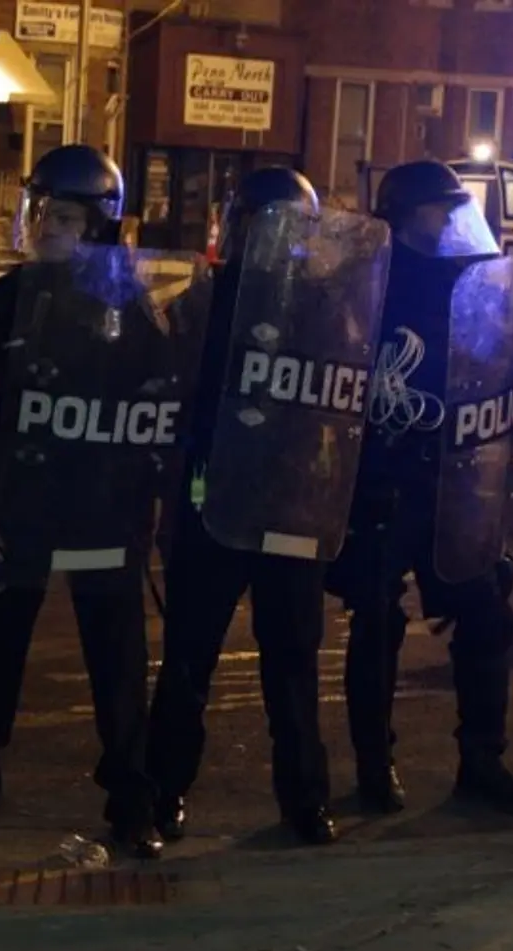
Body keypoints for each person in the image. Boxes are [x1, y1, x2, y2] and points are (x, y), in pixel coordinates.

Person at [0, 144, 172, 859]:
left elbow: (161, 409)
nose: (48, 228)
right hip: (20, 506)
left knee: (119, 664)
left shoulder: (132, 309)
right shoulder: (3, 302)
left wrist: (152, 505)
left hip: (102, 509)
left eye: (65, 216)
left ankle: (133, 799)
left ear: (100, 225)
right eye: (41, 212)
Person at [146, 166, 363, 846]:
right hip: (215, 502)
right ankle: (161, 791)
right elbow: (167, 402)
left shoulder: (328, 307)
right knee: (189, 661)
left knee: (293, 662)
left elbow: (343, 407)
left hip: (292, 507)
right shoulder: (201, 305)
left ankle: (304, 798)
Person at [327, 160, 513, 817]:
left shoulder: (473, 280)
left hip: (453, 479)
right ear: (407, 216)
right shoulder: (366, 281)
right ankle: (373, 765)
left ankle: (482, 758)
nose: (451, 221)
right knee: (377, 622)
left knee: (484, 614)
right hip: (384, 478)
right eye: (439, 211)